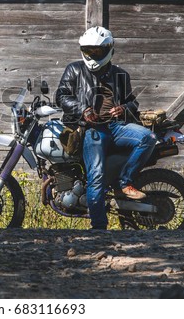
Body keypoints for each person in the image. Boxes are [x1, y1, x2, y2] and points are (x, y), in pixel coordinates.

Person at [55, 26, 157, 230]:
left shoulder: (121, 75)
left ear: (109, 50)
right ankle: (99, 228)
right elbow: (61, 96)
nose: (93, 55)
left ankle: (124, 182)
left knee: (148, 138)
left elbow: (132, 103)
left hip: (117, 127)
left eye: (97, 51)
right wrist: (83, 109)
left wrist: (123, 109)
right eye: (88, 51)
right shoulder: (74, 69)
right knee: (97, 175)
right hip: (91, 130)